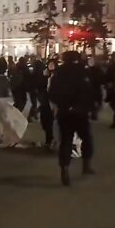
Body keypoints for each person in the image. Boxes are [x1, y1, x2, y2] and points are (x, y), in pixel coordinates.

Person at [48, 51, 94, 186]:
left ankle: (65, 168)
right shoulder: (83, 72)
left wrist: (63, 105)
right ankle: (86, 164)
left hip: (65, 112)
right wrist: (87, 107)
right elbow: (89, 91)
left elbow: (52, 93)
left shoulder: (59, 72)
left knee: (66, 141)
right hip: (80, 112)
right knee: (86, 138)